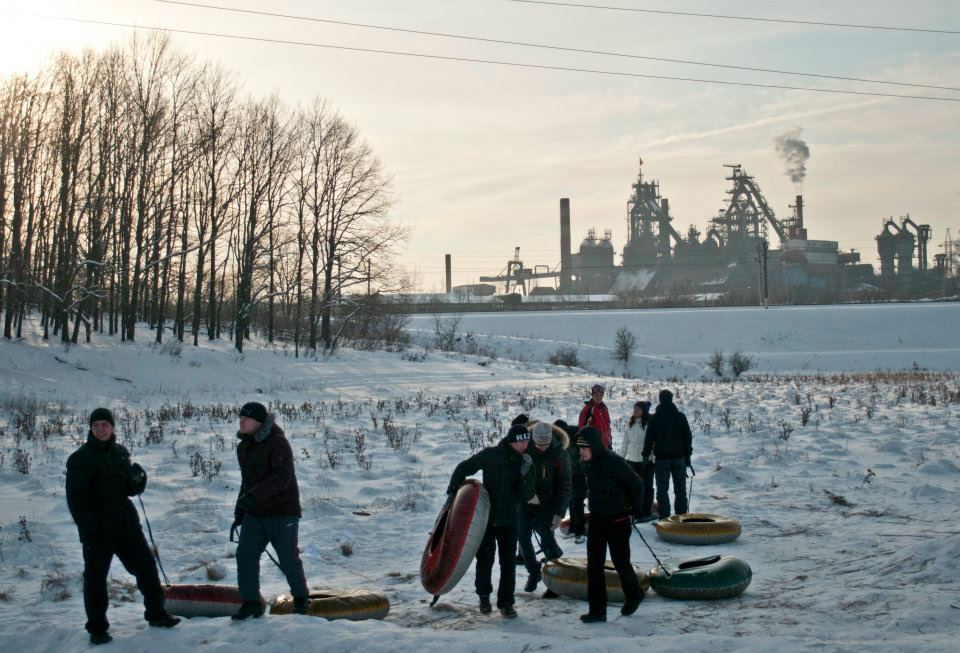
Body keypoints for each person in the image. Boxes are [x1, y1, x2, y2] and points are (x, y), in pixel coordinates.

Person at [66, 407, 180, 646]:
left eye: (105, 425)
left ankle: (157, 614)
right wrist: (89, 529)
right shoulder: (80, 459)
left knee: (147, 568)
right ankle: (97, 628)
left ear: (112, 427)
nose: (101, 430)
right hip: (97, 532)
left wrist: (138, 481)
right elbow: (76, 501)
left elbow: (128, 489)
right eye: (96, 425)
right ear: (90, 428)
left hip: (126, 525)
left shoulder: (120, 453)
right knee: (96, 580)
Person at [231, 401, 310, 620]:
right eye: (240, 417)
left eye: (247, 418)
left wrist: (253, 497)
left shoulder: (278, 442)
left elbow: (282, 477)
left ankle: (302, 600)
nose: (241, 421)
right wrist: (240, 511)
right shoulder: (243, 447)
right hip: (255, 514)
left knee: (288, 559)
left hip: (282, 512)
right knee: (245, 556)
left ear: (259, 422)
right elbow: (246, 481)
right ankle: (251, 603)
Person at [447, 423, 535, 618]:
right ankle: (484, 595)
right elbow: (464, 467)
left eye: (527, 441)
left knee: (508, 563)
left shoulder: (526, 462)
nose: (525, 445)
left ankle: (506, 603)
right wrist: (453, 492)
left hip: (509, 519)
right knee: (485, 560)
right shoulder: (491, 455)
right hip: (486, 519)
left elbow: (527, 494)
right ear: (512, 441)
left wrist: (526, 475)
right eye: (521, 442)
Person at [575, 426, 645, 623]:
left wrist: (636, 509)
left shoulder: (612, 460)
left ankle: (634, 594)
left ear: (594, 446)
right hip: (597, 519)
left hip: (618, 520)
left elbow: (637, 483)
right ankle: (597, 611)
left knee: (620, 562)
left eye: (585, 448)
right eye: (580, 448)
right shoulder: (586, 463)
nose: (581, 452)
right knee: (594, 566)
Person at [518, 420, 571, 594]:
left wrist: (559, 512)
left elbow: (565, 484)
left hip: (548, 502)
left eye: (546, 444)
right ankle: (534, 572)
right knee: (522, 536)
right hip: (526, 501)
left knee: (547, 538)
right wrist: (527, 494)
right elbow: (517, 476)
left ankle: (554, 581)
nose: (543, 447)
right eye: (539, 444)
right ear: (533, 440)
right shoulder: (524, 449)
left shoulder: (559, 452)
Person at [642, 389, 694, 519]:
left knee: (662, 490)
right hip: (679, 458)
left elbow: (649, 439)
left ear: (660, 400)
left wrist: (645, 456)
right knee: (680, 489)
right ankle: (681, 517)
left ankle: (665, 519)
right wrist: (688, 456)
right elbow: (687, 438)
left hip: (662, 460)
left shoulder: (655, 418)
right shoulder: (680, 416)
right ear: (671, 399)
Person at [570, 384, 611, 543]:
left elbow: (606, 428)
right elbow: (582, 429)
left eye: (601, 393)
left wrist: (609, 443)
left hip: (603, 451)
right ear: (592, 394)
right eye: (596, 393)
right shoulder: (588, 409)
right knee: (584, 490)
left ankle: (601, 520)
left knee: (602, 488)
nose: (599, 396)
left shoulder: (604, 408)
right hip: (590, 454)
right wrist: (587, 449)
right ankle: (579, 528)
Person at [619, 400, 656, 521]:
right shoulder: (630, 424)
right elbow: (625, 443)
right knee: (632, 487)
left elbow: (654, 443)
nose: (635, 411)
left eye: (638, 409)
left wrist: (653, 458)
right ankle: (635, 512)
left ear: (644, 411)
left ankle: (646, 512)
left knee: (647, 487)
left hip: (646, 461)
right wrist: (620, 459)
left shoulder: (650, 424)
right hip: (631, 461)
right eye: (634, 408)